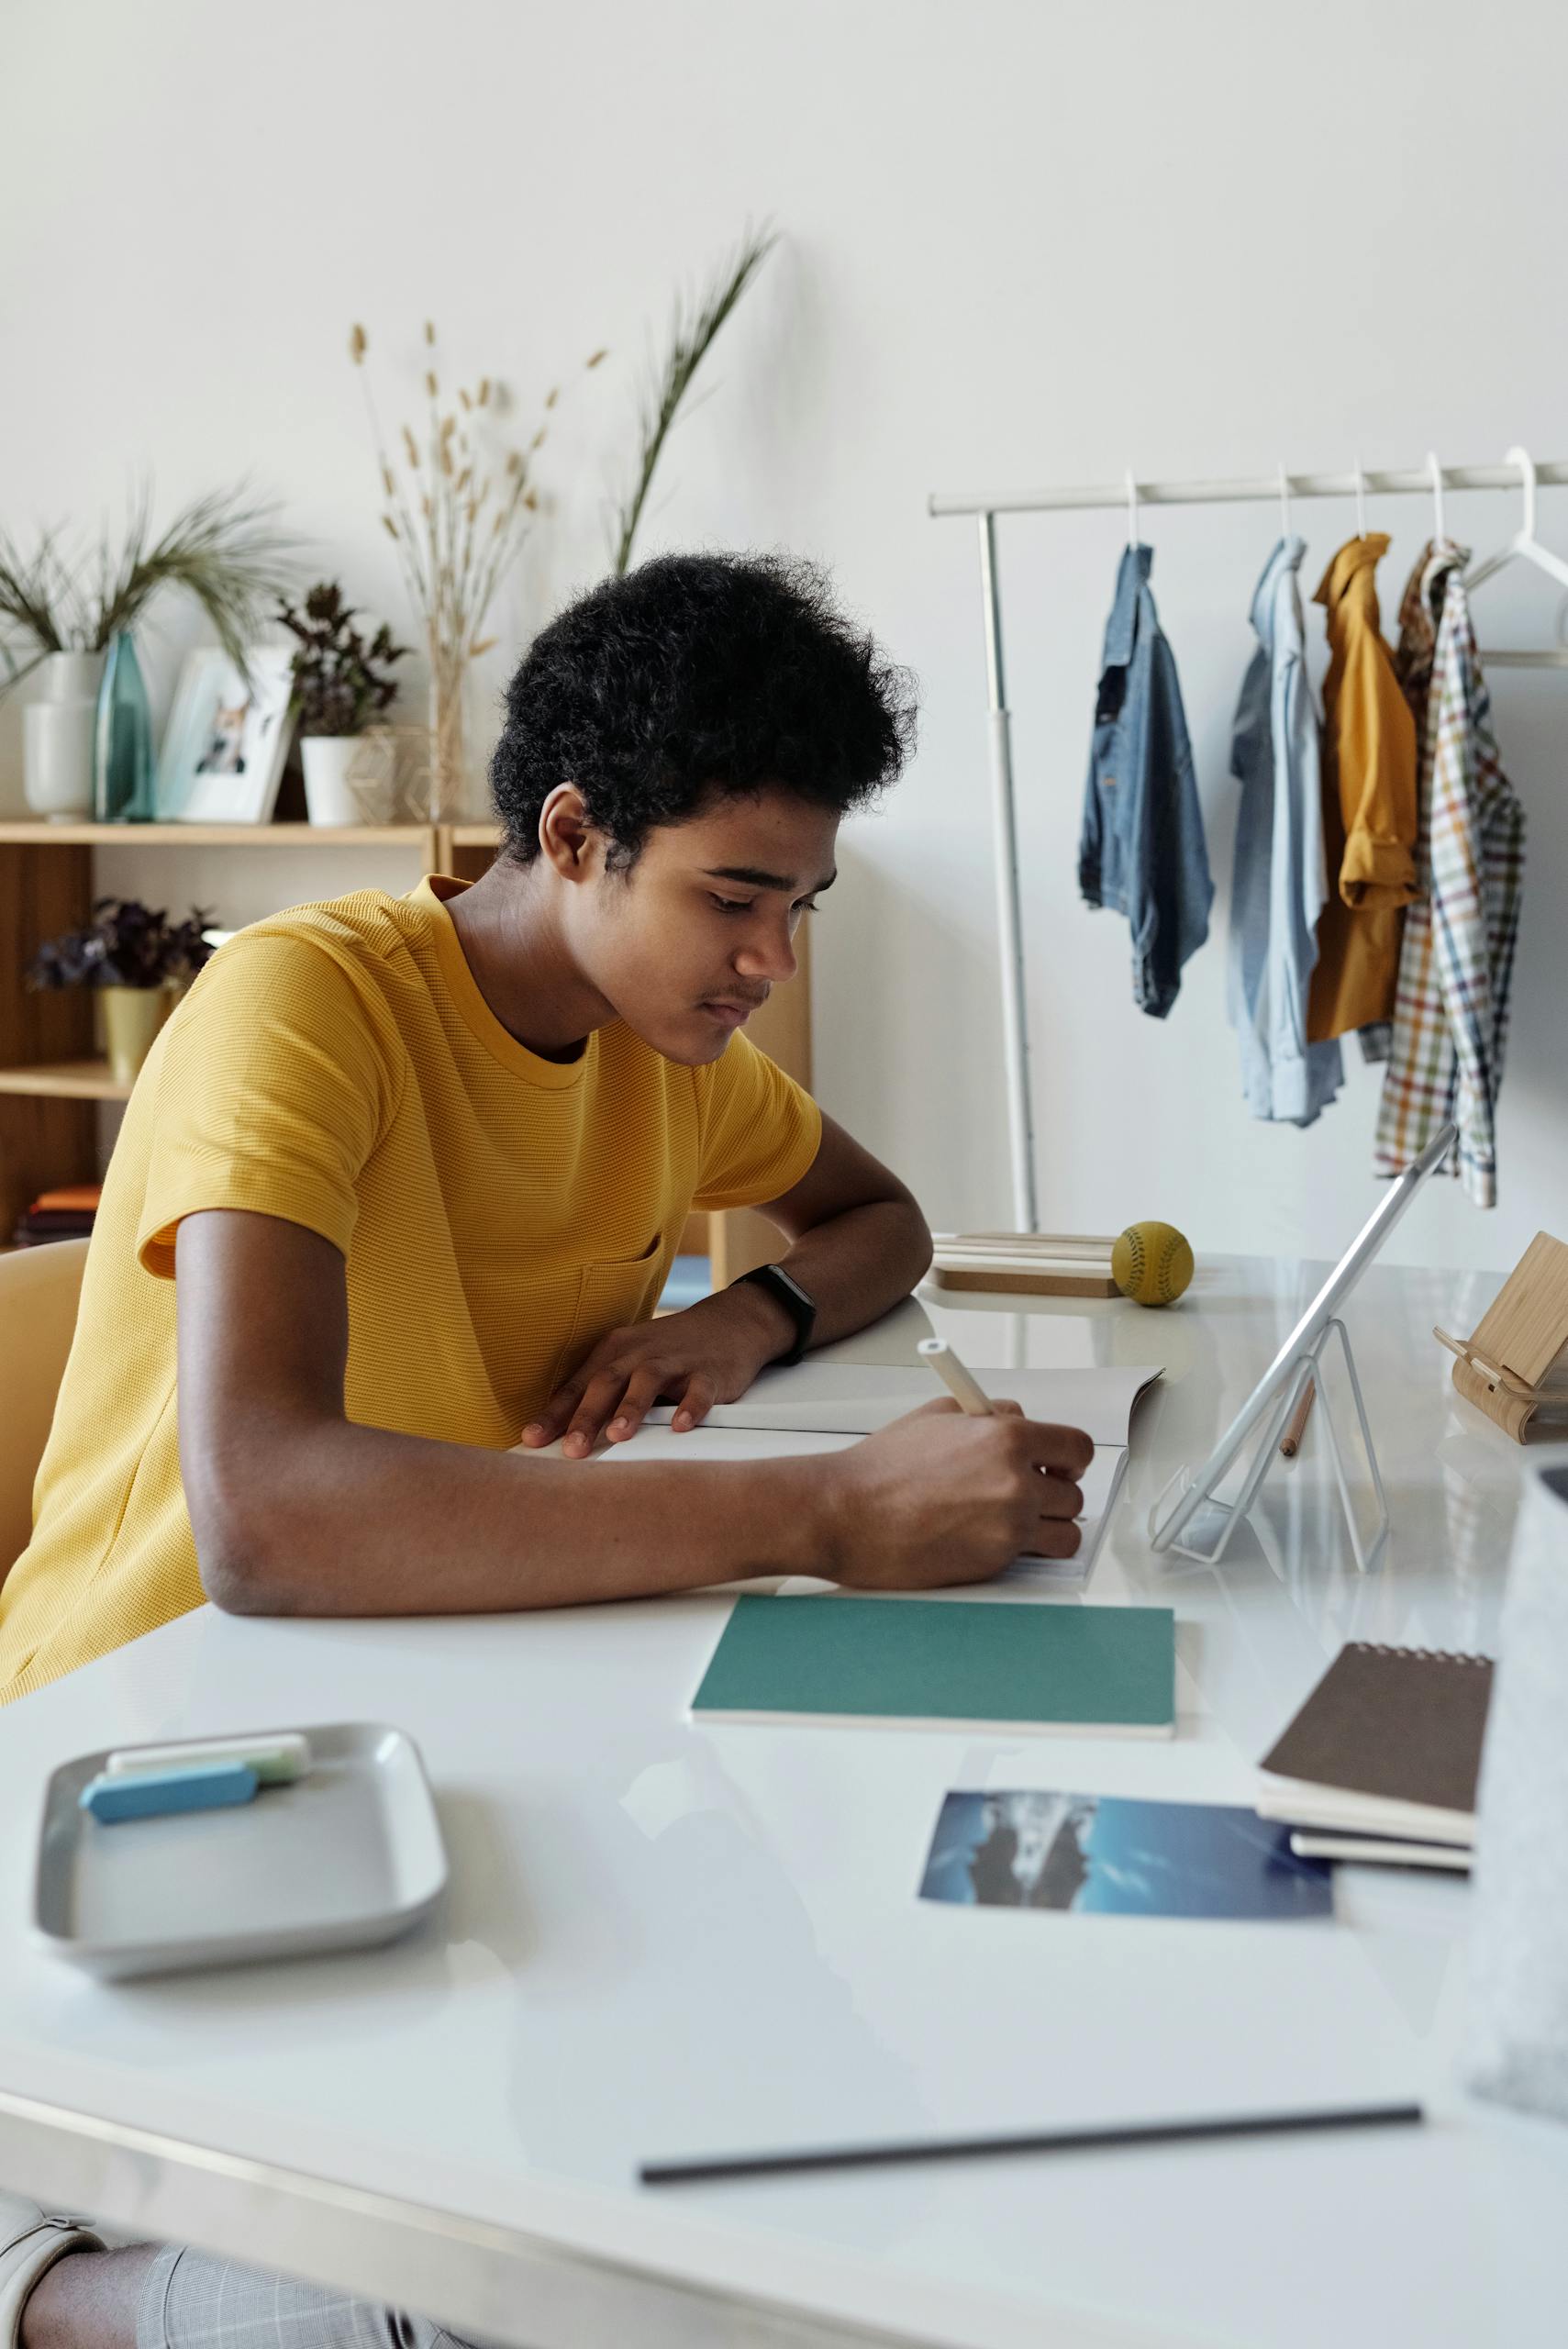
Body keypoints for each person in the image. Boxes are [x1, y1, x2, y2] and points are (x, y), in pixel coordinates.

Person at [0, 552, 1089, 2349]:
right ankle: (56, 2271)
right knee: (517, 2287)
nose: (767, 960)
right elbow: (267, 1515)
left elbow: (877, 1216)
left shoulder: (662, 1052)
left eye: (799, 907)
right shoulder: (304, 1004)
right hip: (145, 1770)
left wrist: (735, 1319)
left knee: (765, 2155)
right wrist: (824, 1506)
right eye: (735, 897)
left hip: (412, 1713)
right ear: (575, 835)